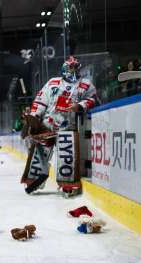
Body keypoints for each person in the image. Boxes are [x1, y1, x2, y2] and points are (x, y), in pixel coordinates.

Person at [24, 56, 96, 196]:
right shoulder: (53, 82)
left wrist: (79, 106)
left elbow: (92, 99)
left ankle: (67, 184)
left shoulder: (86, 84)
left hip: (68, 126)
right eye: (71, 67)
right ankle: (34, 180)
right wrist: (34, 117)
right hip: (47, 125)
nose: (74, 70)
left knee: (66, 155)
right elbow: (41, 101)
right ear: (64, 68)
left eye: (76, 67)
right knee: (40, 154)